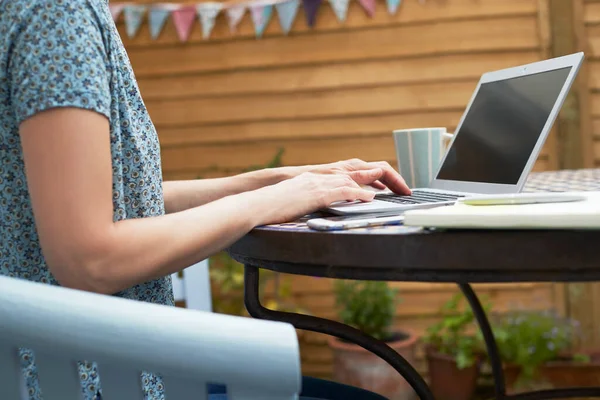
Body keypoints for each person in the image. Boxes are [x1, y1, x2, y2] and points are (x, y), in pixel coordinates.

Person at [0, 1, 411, 399]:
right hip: (97, 381)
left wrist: (276, 181)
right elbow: (89, 258)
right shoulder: (55, 12)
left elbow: (111, 201)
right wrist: (277, 199)